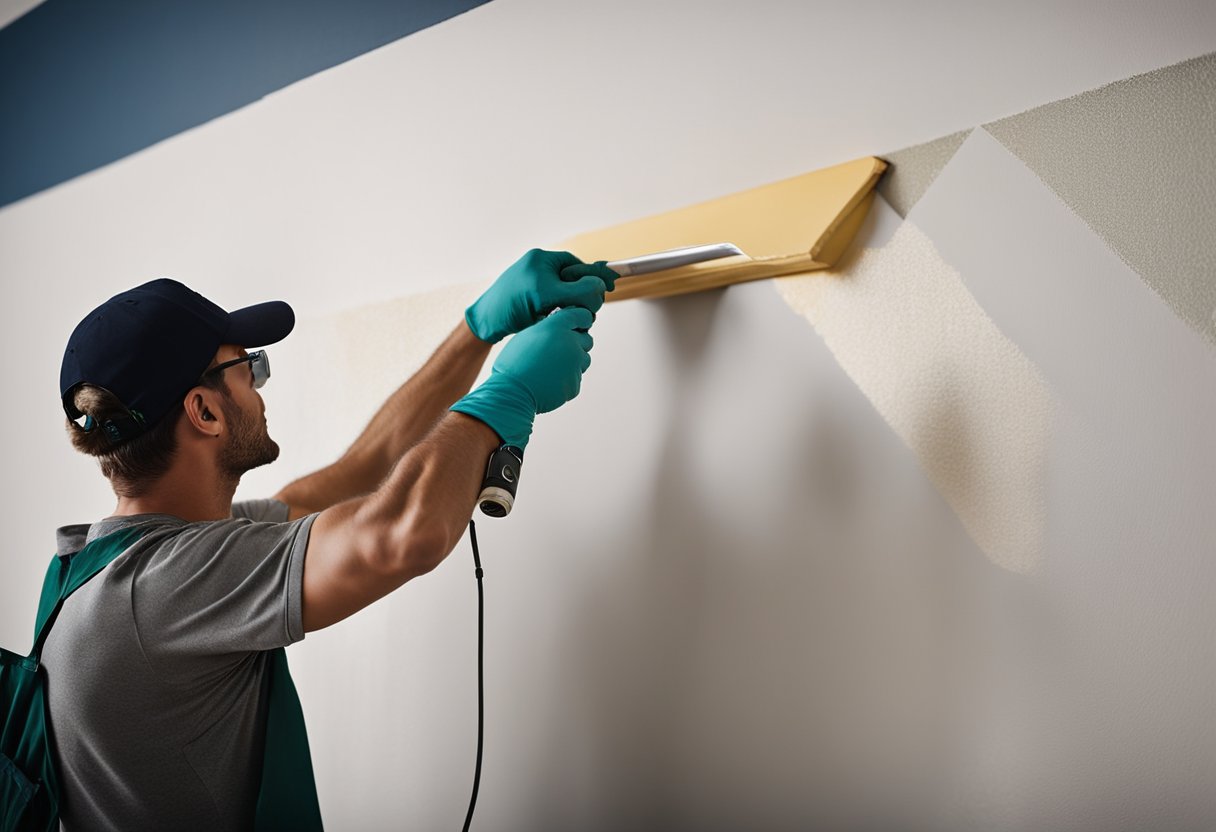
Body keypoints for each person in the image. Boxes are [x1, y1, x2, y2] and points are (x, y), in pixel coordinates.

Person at [39, 249, 617, 830]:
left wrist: (475, 330)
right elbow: (400, 534)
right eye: (249, 370)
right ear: (204, 412)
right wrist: (506, 398)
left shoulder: (112, 563)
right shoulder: (164, 588)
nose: (261, 391)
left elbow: (365, 468)